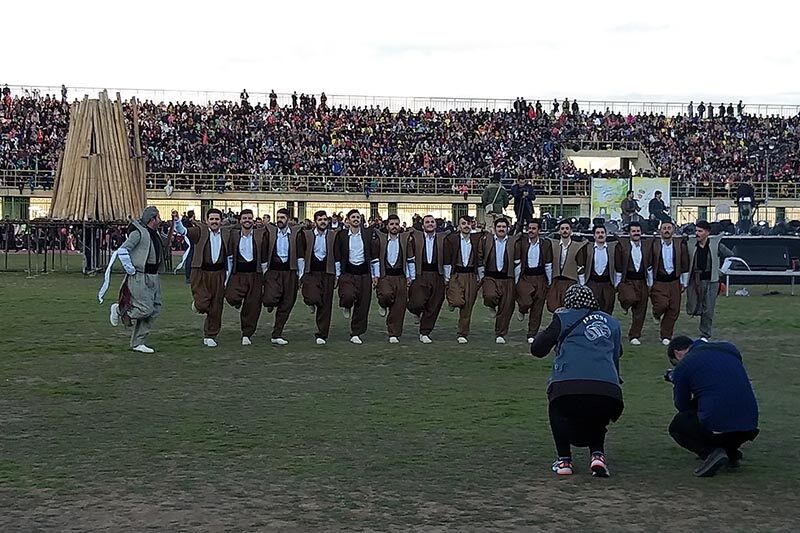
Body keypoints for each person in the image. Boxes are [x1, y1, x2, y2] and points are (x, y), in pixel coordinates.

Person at [530, 284, 624, 478]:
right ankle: (597, 454)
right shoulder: (612, 323)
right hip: (608, 389)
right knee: (598, 413)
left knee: (557, 408)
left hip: (567, 386)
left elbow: (537, 349)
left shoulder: (563, 318)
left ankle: (564, 459)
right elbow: (617, 354)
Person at [666, 336, 759, 477]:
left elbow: (682, 405)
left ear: (678, 353)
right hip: (749, 425)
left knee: (679, 425)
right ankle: (731, 452)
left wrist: (679, 380)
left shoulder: (685, 364)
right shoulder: (729, 349)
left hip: (718, 424)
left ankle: (712, 452)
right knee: (718, 407)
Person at [103, 206, 167, 353]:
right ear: (153, 219)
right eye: (158, 217)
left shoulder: (154, 233)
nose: (160, 220)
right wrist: (129, 268)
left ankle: (138, 342)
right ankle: (120, 310)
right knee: (145, 309)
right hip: (140, 275)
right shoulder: (139, 233)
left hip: (153, 276)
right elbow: (123, 249)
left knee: (155, 309)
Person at [174, 208, 228, 347]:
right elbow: (183, 231)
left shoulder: (226, 234)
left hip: (219, 274)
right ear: (207, 221)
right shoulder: (199, 231)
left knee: (216, 306)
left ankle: (210, 335)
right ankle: (198, 306)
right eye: (212, 219)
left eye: (217, 219)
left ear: (221, 221)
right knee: (203, 303)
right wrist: (177, 220)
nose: (214, 222)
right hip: (201, 273)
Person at [335, 209, 378, 344]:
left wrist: (375, 275)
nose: (356, 219)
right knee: (347, 295)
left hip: (364, 273)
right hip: (347, 273)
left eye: (358, 217)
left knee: (363, 303)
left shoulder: (367, 234)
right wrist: (337, 274)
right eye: (353, 217)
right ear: (347, 220)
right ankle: (346, 305)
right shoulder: (341, 235)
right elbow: (337, 256)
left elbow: (373, 255)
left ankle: (356, 333)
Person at [224, 209, 266, 346]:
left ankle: (247, 334)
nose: (247, 220)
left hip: (255, 274)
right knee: (230, 296)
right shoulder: (234, 235)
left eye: (249, 218)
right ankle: (237, 302)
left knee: (252, 306)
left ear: (253, 220)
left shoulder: (260, 235)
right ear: (240, 220)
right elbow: (230, 256)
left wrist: (264, 276)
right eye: (244, 218)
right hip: (239, 273)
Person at [686, 221, 734, 339]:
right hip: (696, 281)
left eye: (700, 231)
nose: (697, 233)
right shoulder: (690, 243)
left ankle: (705, 333)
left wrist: (722, 270)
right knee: (693, 306)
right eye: (696, 231)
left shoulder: (715, 244)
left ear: (707, 232)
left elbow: (731, 255)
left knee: (708, 309)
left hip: (712, 281)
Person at [297, 210, 338, 345]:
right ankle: (312, 303)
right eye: (320, 219)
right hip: (311, 272)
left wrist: (337, 274)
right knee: (312, 296)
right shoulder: (307, 235)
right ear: (315, 222)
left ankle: (322, 334)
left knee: (326, 305)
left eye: (325, 219)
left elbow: (337, 256)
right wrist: (302, 273)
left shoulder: (333, 235)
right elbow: (301, 255)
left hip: (327, 272)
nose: (323, 222)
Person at [374, 214, 415, 343]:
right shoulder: (381, 240)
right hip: (385, 276)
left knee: (399, 306)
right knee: (386, 295)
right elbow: (375, 260)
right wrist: (376, 275)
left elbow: (410, 260)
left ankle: (394, 333)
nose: (394, 227)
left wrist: (411, 276)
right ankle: (382, 303)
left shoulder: (404, 241)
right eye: (392, 224)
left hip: (400, 276)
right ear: (387, 226)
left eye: (396, 224)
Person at [648, 220, 689, 345]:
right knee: (661, 304)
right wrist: (650, 283)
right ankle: (656, 313)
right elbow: (649, 265)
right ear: (660, 231)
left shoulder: (679, 245)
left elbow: (684, 265)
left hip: (674, 281)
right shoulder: (654, 245)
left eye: (669, 228)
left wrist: (684, 282)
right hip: (659, 281)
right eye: (664, 228)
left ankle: (666, 335)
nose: (666, 230)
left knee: (673, 309)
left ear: (673, 230)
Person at [443, 215, 483, 344]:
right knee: (457, 300)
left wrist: (480, 277)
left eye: (468, 223)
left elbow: (481, 257)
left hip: (471, 274)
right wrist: (447, 277)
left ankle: (462, 333)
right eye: (463, 223)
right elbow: (448, 259)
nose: (466, 226)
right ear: (459, 226)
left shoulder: (476, 239)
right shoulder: (452, 239)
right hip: (457, 273)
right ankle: (451, 302)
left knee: (468, 306)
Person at [262, 208, 299, 345]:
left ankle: (276, 334)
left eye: (282, 217)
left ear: (288, 219)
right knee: (269, 298)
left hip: (289, 272)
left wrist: (299, 274)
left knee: (287, 303)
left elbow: (300, 255)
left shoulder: (294, 234)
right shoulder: (270, 233)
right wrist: (264, 270)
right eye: (278, 217)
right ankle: (271, 303)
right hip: (273, 271)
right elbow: (265, 251)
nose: (279, 220)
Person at [407, 215, 447, 343]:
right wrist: (411, 275)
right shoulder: (416, 237)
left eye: (432, 222)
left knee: (434, 304)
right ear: (423, 225)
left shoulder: (442, 238)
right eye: (427, 222)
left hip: (437, 274)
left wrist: (447, 276)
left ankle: (425, 332)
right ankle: (416, 311)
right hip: (421, 273)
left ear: (436, 225)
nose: (430, 224)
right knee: (416, 301)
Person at [479, 217, 518, 344]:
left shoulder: (513, 242)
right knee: (489, 295)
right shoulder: (487, 240)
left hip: (508, 278)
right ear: (494, 229)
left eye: (503, 227)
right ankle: (490, 305)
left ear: (508, 229)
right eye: (499, 227)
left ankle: (500, 333)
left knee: (506, 307)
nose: (501, 229)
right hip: (491, 276)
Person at [514, 218, 553, 344]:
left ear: (539, 230)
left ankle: (532, 333)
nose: (530, 231)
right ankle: (522, 309)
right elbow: (518, 263)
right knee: (525, 301)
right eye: (529, 228)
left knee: (538, 307)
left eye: (533, 228)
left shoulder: (545, 244)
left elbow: (548, 264)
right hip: (526, 277)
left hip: (540, 277)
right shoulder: (522, 243)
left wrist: (549, 282)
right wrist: (516, 280)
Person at [614, 221, 652, 345]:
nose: (636, 233)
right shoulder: (624, 246)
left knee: (641, 309)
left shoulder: (646, 246)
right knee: (630, 298)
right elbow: (619, 266)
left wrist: (650, 283)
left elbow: (650, 266)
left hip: (642, 280)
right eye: (634, 231)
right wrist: (618, 283)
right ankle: (625, 306)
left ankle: (635, 335)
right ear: (629, 233)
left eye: (638, 231)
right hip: (628, 280)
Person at [547, 220, 586, 312]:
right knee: (554, 307)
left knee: (569, 309)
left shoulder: (577, 246)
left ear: (571, 231)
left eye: (567, 229)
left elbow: (580, 268)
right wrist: (549, 282)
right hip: (556, 282)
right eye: (562, 229)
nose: (565, 231)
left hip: (570, 282)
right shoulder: (553, 244)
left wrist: (582, 285)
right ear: (559, 231)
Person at [579, 226, 617, 315]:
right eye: (598, 233)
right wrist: (582, 283)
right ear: (594, 236)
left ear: (606, 235)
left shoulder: (612, 248)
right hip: (592, 283)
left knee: (607, 310)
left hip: (607, 284)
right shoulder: (588, 248)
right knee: (591, 310)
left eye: (602, 233)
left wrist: (616, 283)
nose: (600, 235)